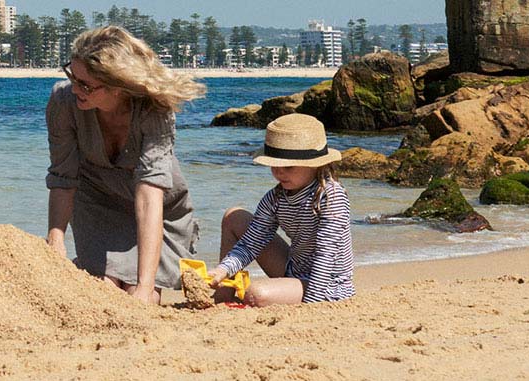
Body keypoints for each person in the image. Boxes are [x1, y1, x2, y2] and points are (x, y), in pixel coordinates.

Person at [44, 26, 207, 304]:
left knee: (141, 299)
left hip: (158, 212)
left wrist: (145, 285)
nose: (74, 88)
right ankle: (86, 264)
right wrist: (55, 242)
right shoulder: (63, 102)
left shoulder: (154, 110)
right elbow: (63, 177)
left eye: (85, 85)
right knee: (103, 293)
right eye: (72, 75)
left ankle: (117, 274)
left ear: (118, 88)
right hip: (97, 204)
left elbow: (149, 194)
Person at [210, 113, 355, 307]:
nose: (279, 172)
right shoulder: (275, 198)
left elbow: (326, 255)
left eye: (288, 167)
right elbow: (250, 243)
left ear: (314, 165)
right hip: (294, 270)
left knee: (255, 294)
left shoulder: (330, 196)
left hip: (328, 284)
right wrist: (222, 270)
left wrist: (311, 305)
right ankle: (223, 295)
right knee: (234, 216)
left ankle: (294, 296)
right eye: (274, 165)